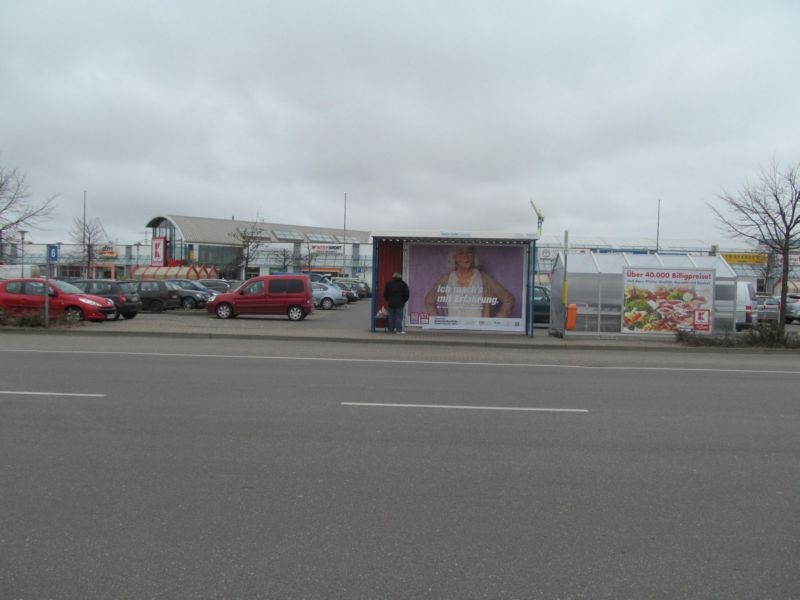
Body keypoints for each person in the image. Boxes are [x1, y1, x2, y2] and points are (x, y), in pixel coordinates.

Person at [424, 245, 515, 318]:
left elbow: (509, 299)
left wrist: (496, 323)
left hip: (478, 335)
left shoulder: (484, 278)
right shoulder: (446, 279)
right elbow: (429, 300)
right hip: (452, 334)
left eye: (469, 252)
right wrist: (437, 323)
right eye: (461, 253)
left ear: (473, 255)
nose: (466, 257)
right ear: (454, 257)